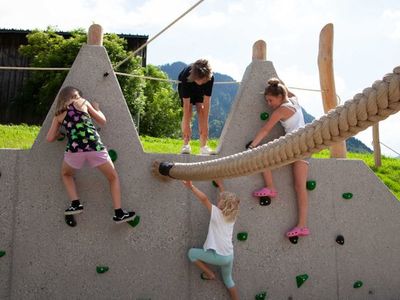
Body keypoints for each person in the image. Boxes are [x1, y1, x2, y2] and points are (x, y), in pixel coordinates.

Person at [46, 86, 136, 223]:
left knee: (66, 174)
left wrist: (59, 133)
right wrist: (97, 108)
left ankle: (75, 203)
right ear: (76, 95)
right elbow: (102, 121)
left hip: (75, 150)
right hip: (95, 147)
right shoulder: (82, 102)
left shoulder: (59, 113)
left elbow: (49, 138)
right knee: (113, 177)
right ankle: (118, 212)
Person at [248, 78, 310, 238]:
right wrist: (278, 81)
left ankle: (270, 187)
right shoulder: (294, 100)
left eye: (270, 100)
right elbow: (286, 89)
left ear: (280, 96)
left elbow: (266, 129)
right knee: (300, 187)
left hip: (293, 146)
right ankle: (302, 226)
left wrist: (252, 146)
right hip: (306, 146)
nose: (268, 103)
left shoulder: (281, 110)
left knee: (262, 155)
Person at [183, 180, 240, 300]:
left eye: (220, 200)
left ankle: (209, 273)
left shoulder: (216, 214)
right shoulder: (232, 217)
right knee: (229, 280)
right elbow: (228, 201)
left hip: (219, 257)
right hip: (229, 255)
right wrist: (221, 186)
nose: (218, 201)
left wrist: (192, 187)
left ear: (223, 205)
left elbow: (204, 199)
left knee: (191, 254)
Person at [178, 59, 215, 155]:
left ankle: (204, 146)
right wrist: (186, 125)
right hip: (187, 84)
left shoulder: (209, 78)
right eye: (200, 80)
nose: (201, 82)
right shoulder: (186, 76)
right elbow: (186, 107)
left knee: (201, 110)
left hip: (200, 89)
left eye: (203, 81)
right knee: (188, 112)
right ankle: (186, 144)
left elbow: (206, 103)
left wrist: (205, 124)